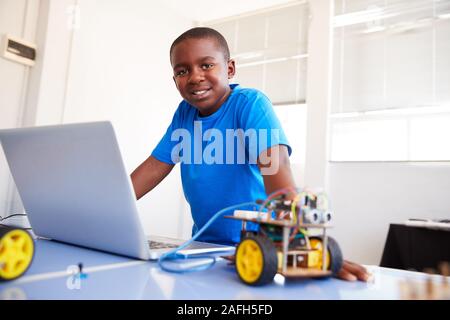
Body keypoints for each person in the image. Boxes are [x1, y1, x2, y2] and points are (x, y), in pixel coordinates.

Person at [131, 27, 369, 282]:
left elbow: (276, 169)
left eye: (206, 65)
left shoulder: (249, 104)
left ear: (230, 69)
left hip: (260, 247)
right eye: (182, 71)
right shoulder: (184, 114)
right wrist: (106, 208)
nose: (194, 77)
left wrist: (299, 246)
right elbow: (155, 166)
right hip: (204, 248)